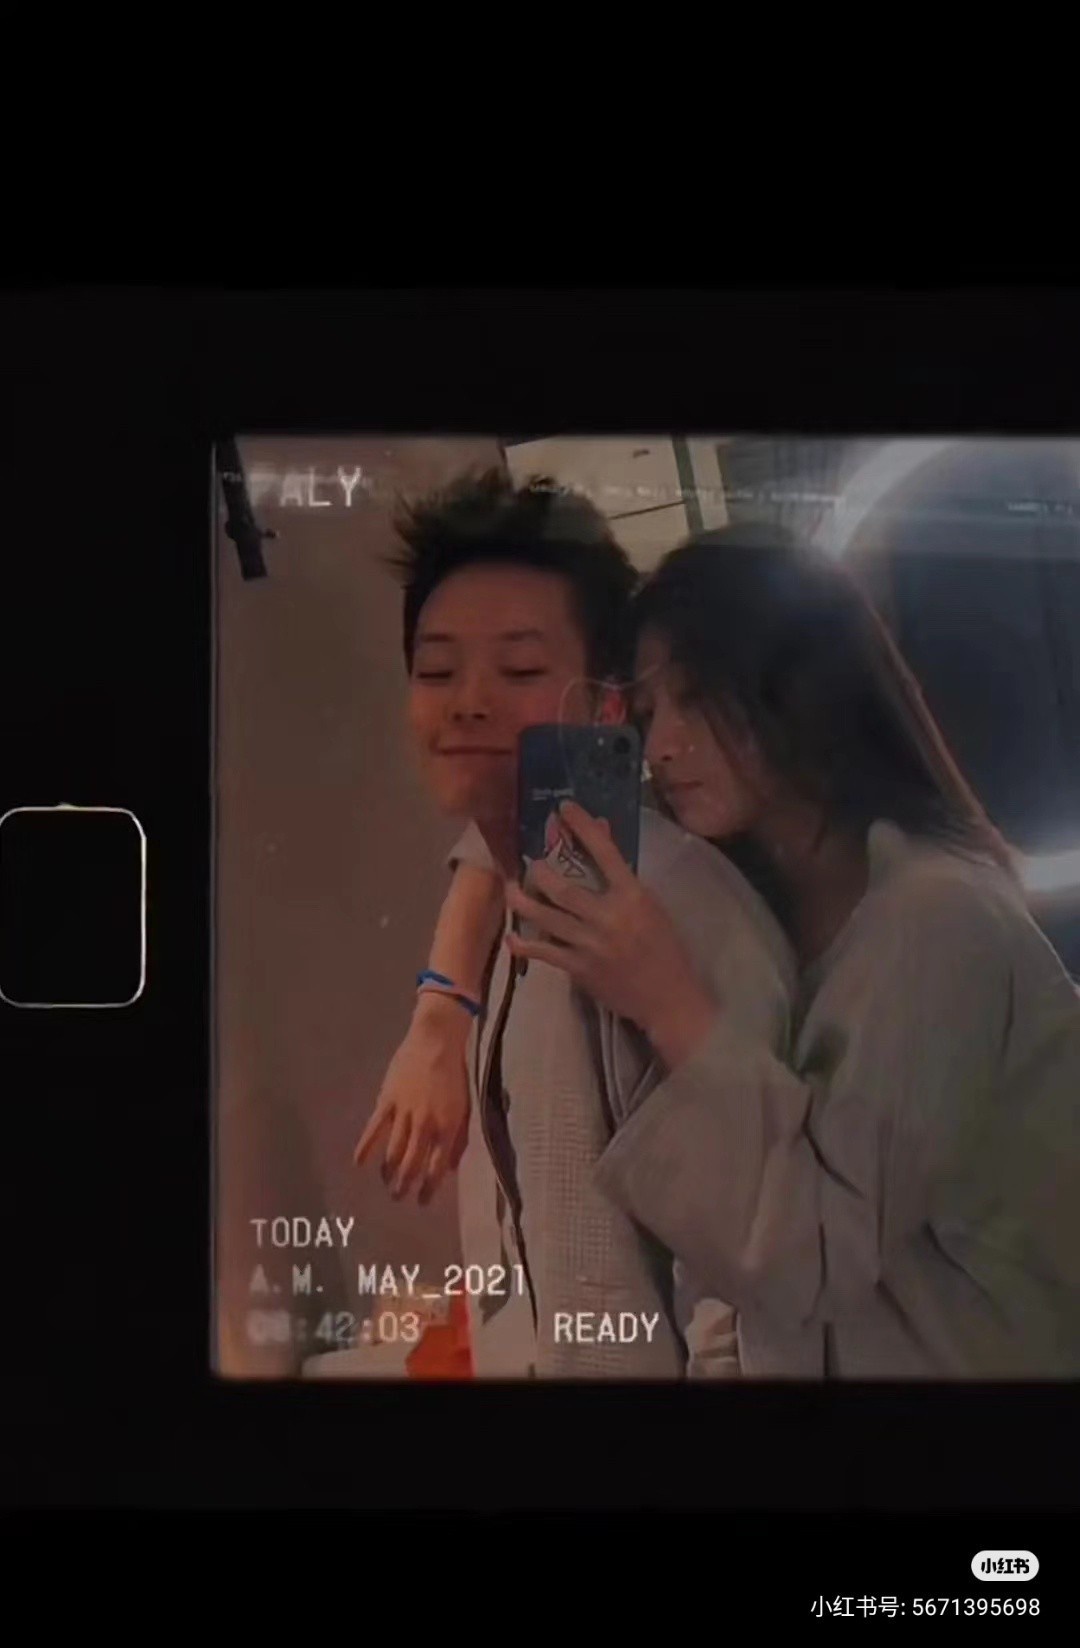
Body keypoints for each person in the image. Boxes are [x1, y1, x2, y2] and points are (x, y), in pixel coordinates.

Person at [392, 520, 1080, 1378]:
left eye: (696, 699)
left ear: (797, 689)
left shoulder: (934, 923)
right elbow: (497, 828)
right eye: (649, 714)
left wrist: (670, 1001)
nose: (663, 746)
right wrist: (442, 1005)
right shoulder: (749, 875)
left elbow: (814, 1256)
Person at [355, 472, 796, 1377]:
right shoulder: (514, 895)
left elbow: (749, 1308)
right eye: (436, 671)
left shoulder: (671, 916)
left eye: (519, 671)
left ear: (607, 706)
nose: (468, 702)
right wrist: (440, 1011)